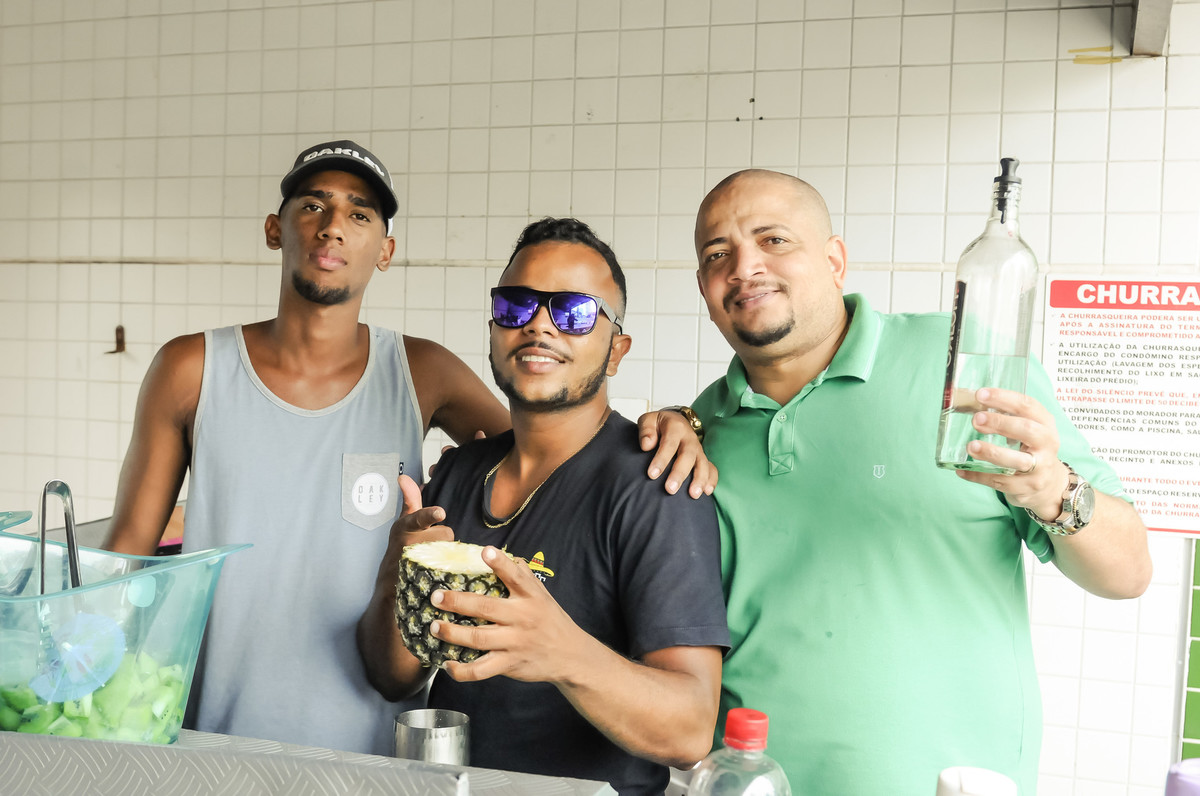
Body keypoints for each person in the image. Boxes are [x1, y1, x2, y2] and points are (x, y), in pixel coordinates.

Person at [100, 141, 707, 757]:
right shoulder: (193, 368)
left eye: (360, 213)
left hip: (377, 753)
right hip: (211, 732)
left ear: (386, 250)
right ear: (273, 229)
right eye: (312, 205)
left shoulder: (423, 372)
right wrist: (92, 686)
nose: (333, 227)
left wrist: (671, 424)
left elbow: (552, 440)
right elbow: (125, 553)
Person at [672, 169, 1151, 794]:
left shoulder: (964, 367)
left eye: (774, 240)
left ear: (834, 261)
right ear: (703, 286)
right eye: (718, 254)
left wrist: (1052, 490)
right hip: (752, 782)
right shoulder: (699, 427)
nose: (745, 267)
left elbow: (1127, 573)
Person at [358, 217, 729, 795]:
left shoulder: (656, 485)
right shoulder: (457, 473)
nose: (537, 325)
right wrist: (395, 574)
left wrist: (562, 653)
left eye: (573, 312)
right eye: (516, 306)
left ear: (616, 350)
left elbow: (690, 729)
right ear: (493, 330)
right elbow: (393, 677)